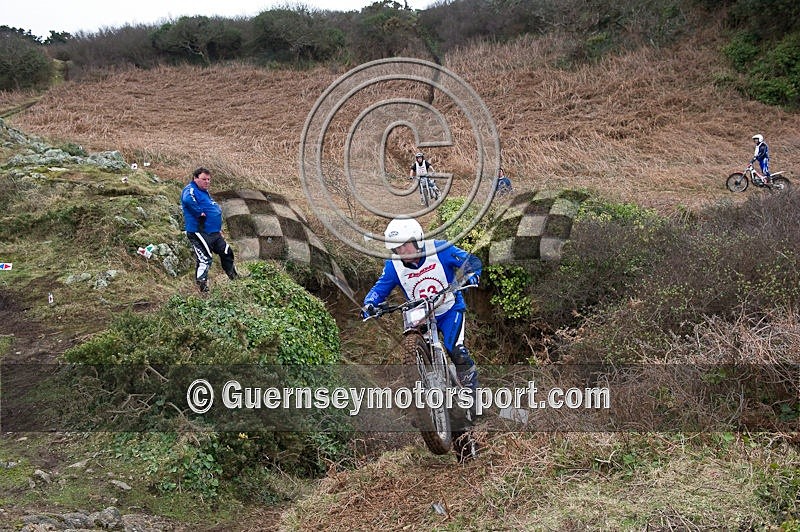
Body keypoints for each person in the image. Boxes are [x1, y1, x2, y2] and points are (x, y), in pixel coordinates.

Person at [362, 218, 482, 422]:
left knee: (455, 349)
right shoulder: (393, 266)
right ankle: (422, 406)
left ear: (417, 239)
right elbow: (379, 289)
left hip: (449, 309)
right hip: (421, 315)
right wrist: (369, 304)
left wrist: (471, 275)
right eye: (397, 248)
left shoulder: (440, 249)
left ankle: (473, 397)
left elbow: (472, 261)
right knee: (414, 356)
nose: (402, 251)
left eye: (405, 245)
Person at [181, 167, 239, 292]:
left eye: (208, 179)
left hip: (213, 232)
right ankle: (202, 288)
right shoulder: (190, 189)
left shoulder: (204, 192)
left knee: (226, 252)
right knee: (205, 258)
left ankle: (234, 278)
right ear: (195, 178)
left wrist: (217, 228)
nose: (207, 182)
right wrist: (199, 212)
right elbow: (187, 200)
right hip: (199, 231)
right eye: (204, 179)